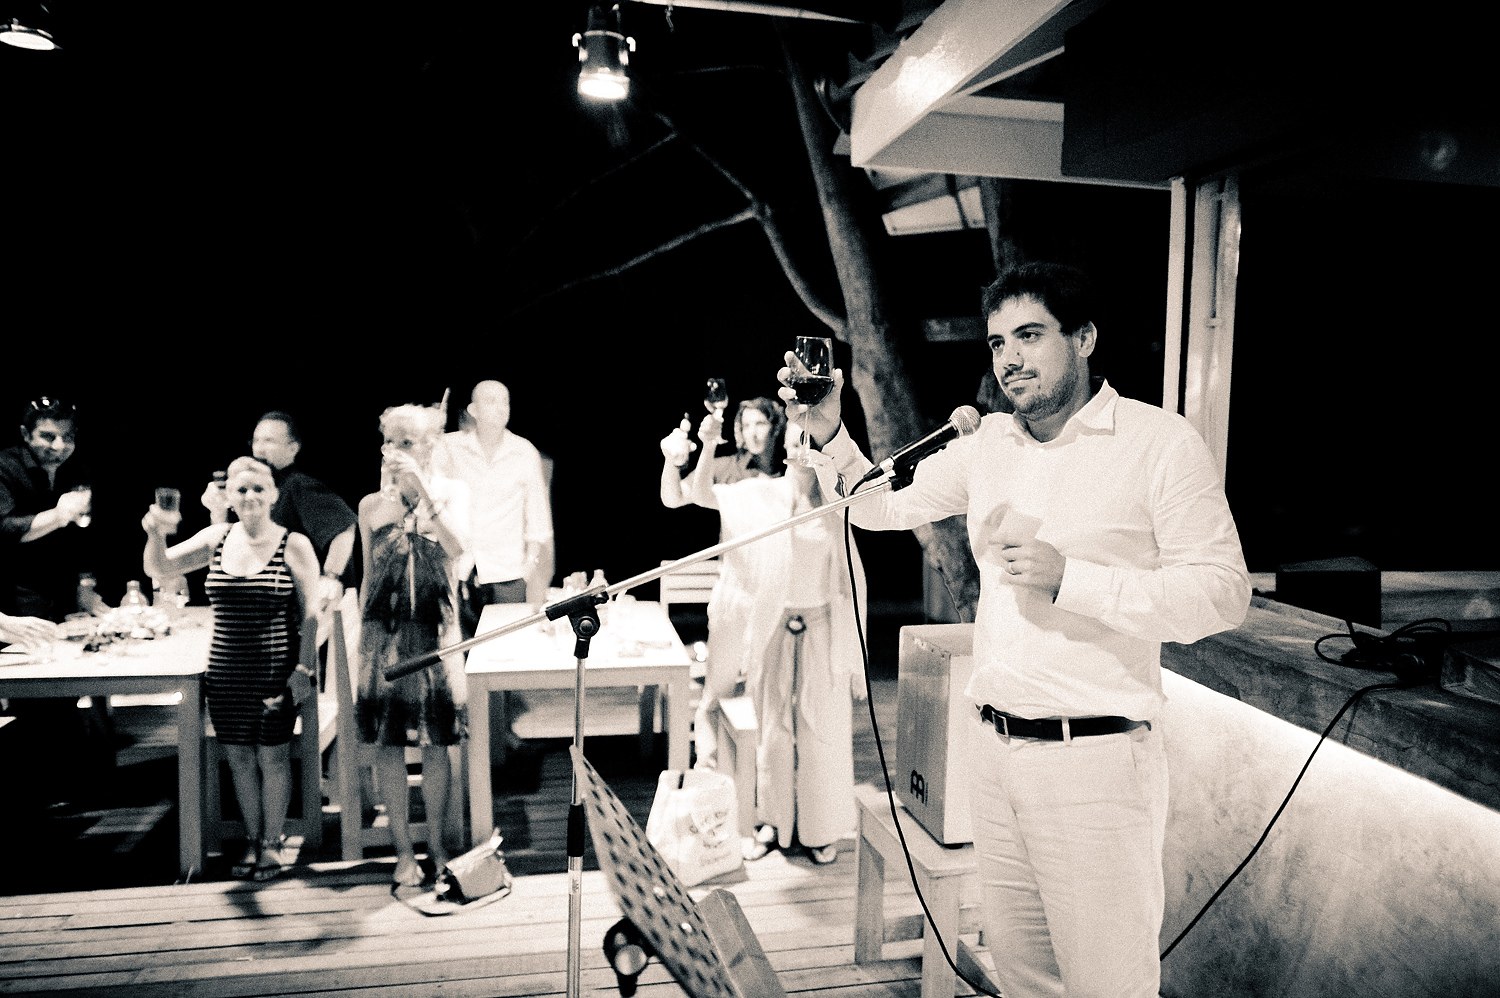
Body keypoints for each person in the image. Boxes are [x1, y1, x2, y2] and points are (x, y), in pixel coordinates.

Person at [779, 261, 1251, 998]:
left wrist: (1073, 578)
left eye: (1030, 336)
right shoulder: (991, 443)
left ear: (1084, 338)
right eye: (998, 343)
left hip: (1095, 764)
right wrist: (831, 433)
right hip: (991, 755)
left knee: (1107, 984)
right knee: (1023, 977)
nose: (1009, 359)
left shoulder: (1158, 442)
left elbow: (1222, 594)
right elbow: (878, 507)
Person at [144, 456, 321, 881]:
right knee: (239, 758)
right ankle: (253, 838)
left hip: (275, 669)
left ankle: (272, 843)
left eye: (259, 488)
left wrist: (304, 669)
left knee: (273, 757)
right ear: (229, 496)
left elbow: (311, 613)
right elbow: (160, 568)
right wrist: (155, 533)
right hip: (225, 670)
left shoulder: (293, 543)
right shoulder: (217, 537)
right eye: (241, 489)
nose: (250, 496)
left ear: (274, 494)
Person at [357, 403, 470, 887]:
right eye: (390, 441)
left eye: (406, 442)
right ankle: (403, 851)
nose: (395, 451)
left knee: (438, 743)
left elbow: (458, 548)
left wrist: (423, 492)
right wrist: (362, 645)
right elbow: (367, 578)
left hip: (436, 633)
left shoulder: (452, 493)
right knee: (388, 745)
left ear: (430, 445)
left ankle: (438, 845)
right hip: (384, 638)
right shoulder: (371, 506)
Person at [659, 397, 785, 773]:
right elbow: (673, 498)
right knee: (718, 688)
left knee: (767, 693)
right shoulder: (727, 467)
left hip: (779, 596)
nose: (752, 432)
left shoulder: (791, 471)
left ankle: (759, 776)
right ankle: (709, 767)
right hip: (736, 593)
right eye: (745, 425)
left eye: (760, 423)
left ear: (775, 427)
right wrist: (671, 460)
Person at [1, 397, 105, 809]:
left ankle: (71, 786)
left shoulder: (76, 470)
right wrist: (58, 515)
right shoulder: (5, 467)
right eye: (47, 436)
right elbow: (5, 530)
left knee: (72, 679)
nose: (58, 446)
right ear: (26, 435)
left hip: (60, 588)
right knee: (38, 689)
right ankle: (38, 793)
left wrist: (86, 584)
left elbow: (86, 536)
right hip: (16, 592)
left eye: (66, 437)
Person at [204, 412, 358, 612]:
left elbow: (345, 527)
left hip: (314, 607)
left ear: (293, 448)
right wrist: (217, 510)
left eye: (269, 441)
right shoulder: (257, 493)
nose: (259, 448)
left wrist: (330, 577)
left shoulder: (298, 485)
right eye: (256, 440)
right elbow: (226, 547)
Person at [431, 381, 553, 631]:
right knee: (459, 647)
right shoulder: (450, 447)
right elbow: (431, 494)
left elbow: (538, 517)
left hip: (508, 573)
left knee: (506, 646)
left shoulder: (523, 451)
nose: (501, 408)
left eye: (505, 401)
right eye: (491, 401)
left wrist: (529, 567)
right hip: (460, 570)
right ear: (473, 409)